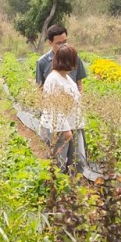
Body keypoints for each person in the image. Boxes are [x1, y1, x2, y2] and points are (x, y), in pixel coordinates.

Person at [40, 44, 84, 172]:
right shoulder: (53, 79)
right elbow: (54, 107)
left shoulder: (67, 77)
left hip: (74, 125)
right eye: (74, 59)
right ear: (67, 61)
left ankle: (73, 187)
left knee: (78, 161)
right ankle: (57, 189)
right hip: (60, 129)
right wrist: (66, 130)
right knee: (59, 164)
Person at [34, 24, 88, 90]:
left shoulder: (75, 58)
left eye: (65, 42)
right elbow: (40, 88)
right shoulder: (42, 62)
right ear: (50, 42)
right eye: (59, 43)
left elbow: (79, 84)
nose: (63, 46)